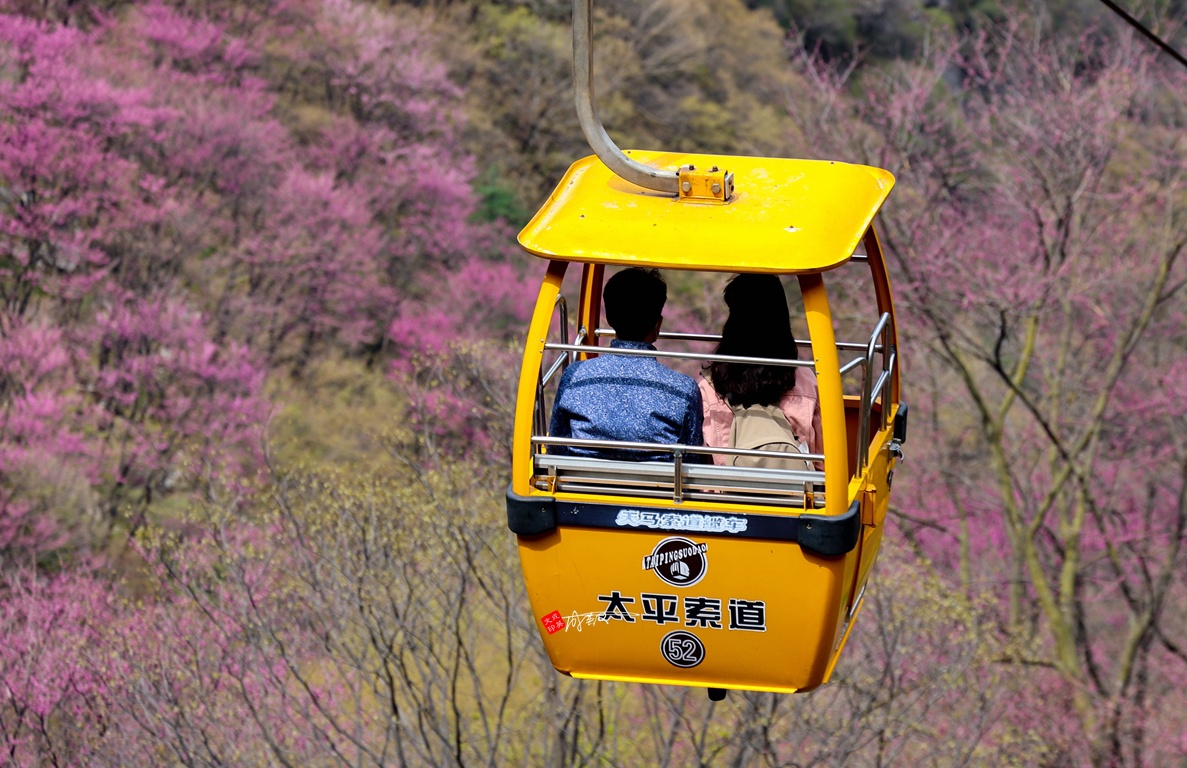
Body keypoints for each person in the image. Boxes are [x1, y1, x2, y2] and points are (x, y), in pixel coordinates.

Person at [549, 268, 706, 461]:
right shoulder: (683, 390)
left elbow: (556, 447)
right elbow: (691, 459)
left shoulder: (575, 376)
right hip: (656, 490)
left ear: (609, 318)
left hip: (578, 487)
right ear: (658, 324)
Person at [699, 274, 822, 466]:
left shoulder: (709, 385)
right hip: (797, 493)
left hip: (728, 494)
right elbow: (821, 461)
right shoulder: (807, 380)